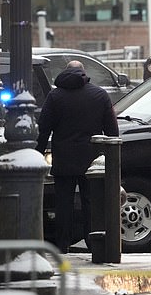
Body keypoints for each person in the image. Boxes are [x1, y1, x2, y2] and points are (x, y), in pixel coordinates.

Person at [36, 64, 119, 253]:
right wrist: (109, 157)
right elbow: (112, 131)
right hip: (91, 159)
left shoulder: (55, 96)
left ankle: (62, 245)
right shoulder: (99, 95)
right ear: (84, 73)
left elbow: (43, 129)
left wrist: (38, 152)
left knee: (63, 203)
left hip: (63, 158)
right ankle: (93, 244)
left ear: (64, 72)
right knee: (91, 202)